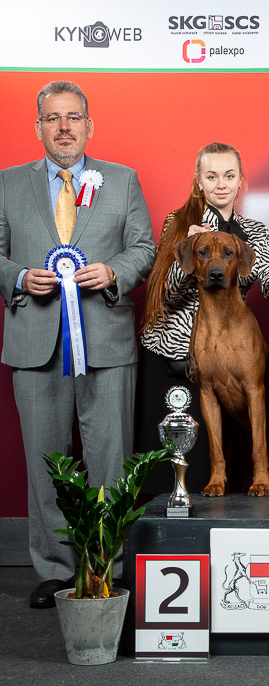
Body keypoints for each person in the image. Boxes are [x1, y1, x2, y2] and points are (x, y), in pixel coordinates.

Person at [0, 81, 155, 607]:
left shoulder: (123, 179)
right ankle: (55, 570)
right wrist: (19, 277)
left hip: (106, 343)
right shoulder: (8, 183)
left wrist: (114, 271)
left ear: (89, 125)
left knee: (111, 463)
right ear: (38, 127)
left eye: (72, 118)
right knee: (47, 463)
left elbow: (144, 248)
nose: (63, 127)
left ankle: (108, 565)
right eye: (52, 118)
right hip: (34, 343)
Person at [137, 142, 269, 495]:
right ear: (199, 181)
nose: (221, 184)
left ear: (241, 180)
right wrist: (188, 254)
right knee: (183, 473)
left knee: (232, 473)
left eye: (229, 175)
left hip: (231, 351)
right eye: (212, 176)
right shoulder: (179, 223)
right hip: (175, 357)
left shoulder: (254, 232)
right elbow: (165, 293)